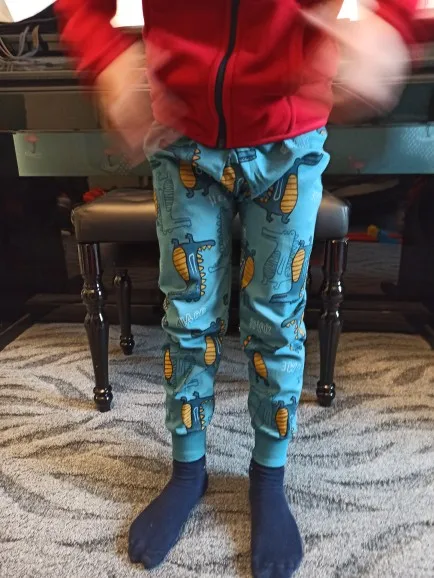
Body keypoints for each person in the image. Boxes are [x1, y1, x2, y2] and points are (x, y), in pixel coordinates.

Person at [55, 1, 418, 576]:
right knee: (187, 317)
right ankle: (188, 470)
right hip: (182, 135)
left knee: (277, 319)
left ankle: (268, 477)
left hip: (289, 137)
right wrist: (105, 57)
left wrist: (392, 21)